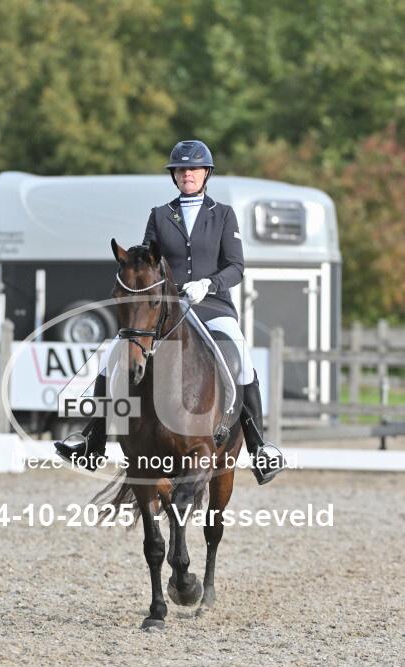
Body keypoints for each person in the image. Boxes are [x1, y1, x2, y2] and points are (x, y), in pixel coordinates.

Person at [55, 140, 284, 484]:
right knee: (111, 355)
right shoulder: (160, 214)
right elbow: (147, 260)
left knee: (240, 355)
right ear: (174, 176)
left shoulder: (223, 214)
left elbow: (236, 266)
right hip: (166, 310)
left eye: (193, 169)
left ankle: (259, 446)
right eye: (181, 169)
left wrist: (209, 284)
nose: (187, 174)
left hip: (212, 306)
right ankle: (93, 440)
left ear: (206, 173)